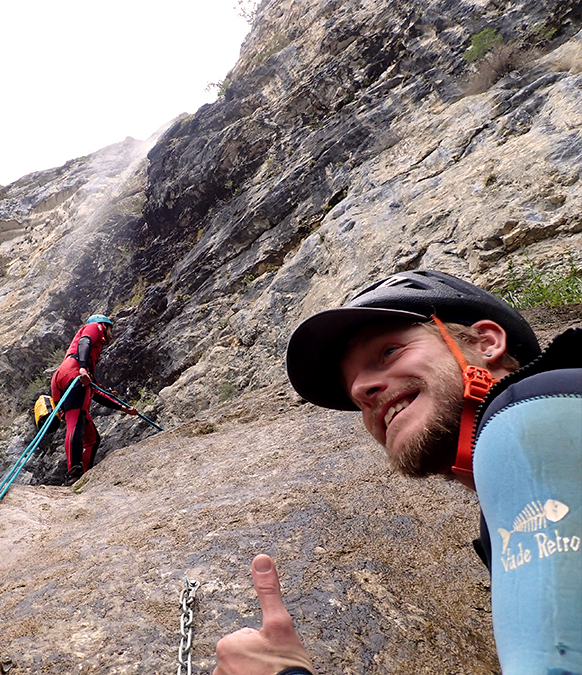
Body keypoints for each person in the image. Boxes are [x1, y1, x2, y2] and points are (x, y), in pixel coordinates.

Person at [214, 270, 581, 675]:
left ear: (486, 343)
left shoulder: (533, 408)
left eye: (389, 352)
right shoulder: (505, 508)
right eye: (354, 387)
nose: (361, 391)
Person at [50, 314, 137, 481]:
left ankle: (83, 475)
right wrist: (82, 368)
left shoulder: (90, 363)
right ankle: (74, 471)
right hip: (73, 371)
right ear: (105, 325)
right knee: (76, 420)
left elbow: (96, 392)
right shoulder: (94, 327)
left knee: (92, 438)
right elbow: (85, 342)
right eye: (111, 329)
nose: (112, 333)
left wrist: (122, 408)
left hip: (65, 377)